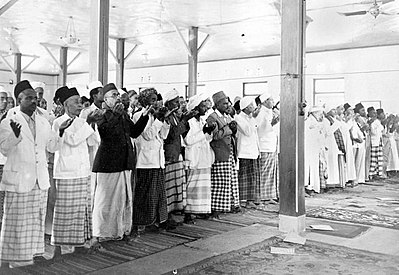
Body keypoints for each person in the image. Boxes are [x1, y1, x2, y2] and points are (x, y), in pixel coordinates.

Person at [0, 80, 62, 268]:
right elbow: (3, 149)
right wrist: (15, 137)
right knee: (17, 220)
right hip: (20, 177)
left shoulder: (43, 121)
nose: (34, 101)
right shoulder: (9, 120)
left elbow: (52, 147)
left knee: (36, 219)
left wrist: (60, 132)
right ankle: (15, 260)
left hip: (39, 179)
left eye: (35, 98)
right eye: (29, 98)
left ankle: (33, 255)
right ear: (19, 100)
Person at [92, 83, 149, 242]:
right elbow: (105, 134)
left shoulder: (123, 114)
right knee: (105, 201)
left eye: (118, 95)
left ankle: (120, 230)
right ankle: (102, 232)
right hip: (108, 164)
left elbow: (134, 132)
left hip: (124, 162)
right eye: (114, 96)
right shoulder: (100, 114)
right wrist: (115, 115)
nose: (118, 98)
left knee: (122, 200)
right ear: (106, 99)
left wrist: (145, 115)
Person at [51, 87, 100, 258]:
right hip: (67, 172)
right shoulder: (59, 122)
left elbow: (94, 141)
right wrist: (87, 123)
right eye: (76, 102)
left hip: (82, 171)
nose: (80, 105)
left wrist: (92, 124)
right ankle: (58, 248)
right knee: (64, 212)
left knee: (81, 211)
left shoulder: (81, 121)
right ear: (65, 104)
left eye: (80, 102)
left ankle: (79, 244)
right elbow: (72, 140)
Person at [133, 88, 171, 232]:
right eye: (153, 100)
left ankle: (157, 221)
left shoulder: (155, 116)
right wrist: (159, 120)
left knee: (158, 194)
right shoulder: (139, 115)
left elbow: (164, 136)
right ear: (144, 101)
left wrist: (165, 120)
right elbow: (148, 135)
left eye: (157, 99)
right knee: (146, 194)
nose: (156, 103)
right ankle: (143, 222)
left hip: (157, 160)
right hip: (145, 161)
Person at [207, 91, 240, 219]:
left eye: (228, 103)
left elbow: (231, 133)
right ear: (218, 104)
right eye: (225, 103)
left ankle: (228, 206)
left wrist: (233, 130)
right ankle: (216, 209)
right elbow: (214, 136)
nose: (228, 105)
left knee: (229, 181)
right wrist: (229, 129)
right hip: (220, 153)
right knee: (219, 183)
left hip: (230, 153)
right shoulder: (212, 117)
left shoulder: (227, 116)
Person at [183, 94, 215, 223]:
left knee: (202, 187)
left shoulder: (202, 120)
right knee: (192, 186)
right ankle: (189, 212)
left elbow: (207, 139)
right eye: (202, 106)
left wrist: (209, 131)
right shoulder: (189, 122)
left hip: (204, 158)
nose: (205, 108)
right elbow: (188, 140)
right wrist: (204, 132)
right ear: (195, 107)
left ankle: (200, 210)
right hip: (194, 157)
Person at [163, 89, 192, 225]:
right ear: (168, 103)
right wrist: (185, 120)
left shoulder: (174, 116)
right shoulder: (167, 117)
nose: (178, 105)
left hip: (176, 154)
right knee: (169, 188)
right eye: (175, 102)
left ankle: (172, 215)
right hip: (169, 155)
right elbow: (173, 134)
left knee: (175, 187)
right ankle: (167, 217)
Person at [235, 97, 260, 209]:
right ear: (245, 107)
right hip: (244, 152)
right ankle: (241, 200)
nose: (253, 107)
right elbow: (248, 132)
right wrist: (253, 118)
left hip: (253, 151)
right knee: (243, 177)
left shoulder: (250, 118)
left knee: (252, 177)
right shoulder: (238, 118)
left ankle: (250, 200)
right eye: (251, 105)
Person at [254, 92, 279, 204]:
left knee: (271, 172)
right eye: (270, 100)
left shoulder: (270, 112)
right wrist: (272, 124)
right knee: (264, 172)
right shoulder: (261, 113)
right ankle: (263, 197)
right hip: (264, 146)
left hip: (272, 145)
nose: (273, 102)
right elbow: (258, 130)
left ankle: (269, 196)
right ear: (264, 101)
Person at [305, 106, 326, 194]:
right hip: (309, 148)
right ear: (315, 113)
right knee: (309, 168)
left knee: (314, 167)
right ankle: (309, 187)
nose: (321, 115)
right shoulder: (308, 121)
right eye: (320, 113)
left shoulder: (315, 121)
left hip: (315, 148)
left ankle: (313, 186)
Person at [369, 107, 384, 180]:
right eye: (373, 113)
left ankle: (379, 173)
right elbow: (373, 132)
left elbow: (382, 129)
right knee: (373, 159)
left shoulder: (377, 121)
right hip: (374, 142)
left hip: (379, 141)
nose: (375, 114)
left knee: (380, 158)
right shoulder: (371, 122)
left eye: (375, 113)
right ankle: (371, 174)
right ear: (370, 114)